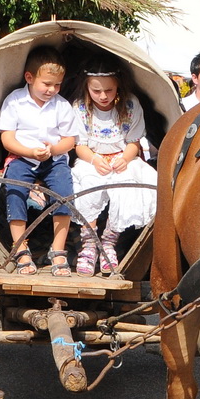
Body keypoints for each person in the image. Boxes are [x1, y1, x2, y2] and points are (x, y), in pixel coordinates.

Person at [0, 46, 79, 276]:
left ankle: (59, 249)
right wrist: (29, 152)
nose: (51, 90)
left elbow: (69, 141)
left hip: (53, 159)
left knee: (64, 192)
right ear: (29, 78)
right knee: (15, 191)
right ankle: (21, 249)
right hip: (22, 157)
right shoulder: (15, 101)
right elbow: (7, 138)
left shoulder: (62, 105)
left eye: (57, 85)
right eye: (46, 84)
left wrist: (53, 150)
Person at [71, 63, 157, 276]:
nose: (103, 96)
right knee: (88, 186)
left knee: (127, 188)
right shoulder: (80, 108)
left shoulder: (130, 105)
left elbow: (134, 141)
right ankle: (89, 245)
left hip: (123, 159)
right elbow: (79, 145)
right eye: (96, 91)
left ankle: (109, 242)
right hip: (92, 160)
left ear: (118, 86)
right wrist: (93, 159)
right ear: (87, 88)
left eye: (109, 90)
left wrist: (125, 158)